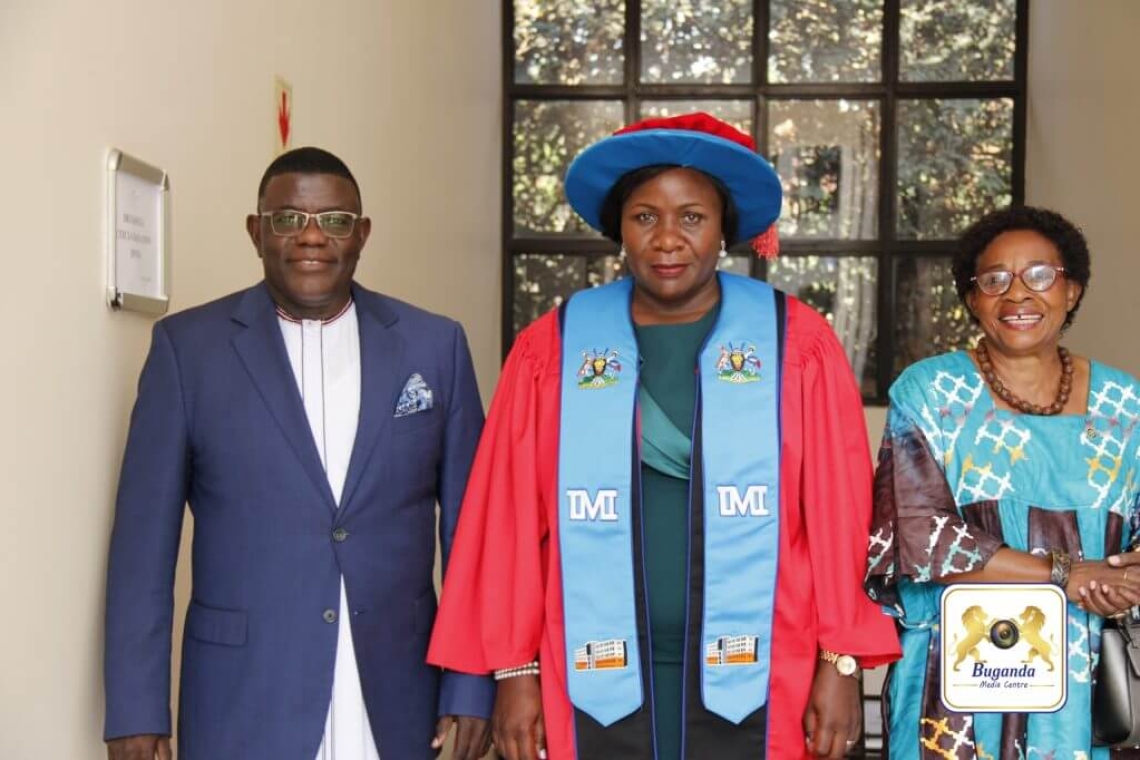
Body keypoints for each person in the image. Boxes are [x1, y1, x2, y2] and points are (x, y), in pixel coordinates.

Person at [427, 113, 900, 760]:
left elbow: (838, 514)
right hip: (585, 670)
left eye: (693, 217)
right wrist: (514, 671)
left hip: (768, 666)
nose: (668, 239)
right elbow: (509, 519)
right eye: (645, 216)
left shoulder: (796, 342)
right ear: (618, 228)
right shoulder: (555, 347)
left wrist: (840, 661)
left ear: (726, 229)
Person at [103, 147, 492, 760]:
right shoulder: (188, 351)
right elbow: (140, 550)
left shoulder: (434, 345)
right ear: (257, 231)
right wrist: (134, 709)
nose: (312, 236)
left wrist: (472, 687)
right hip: (244, 696)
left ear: (361, 234)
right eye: (288, 219)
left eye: (334, 220)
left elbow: (476, 534)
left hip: (397, 694)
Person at [865, 206, 1140, 757]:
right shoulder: (931, 392)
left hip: (1075, 680)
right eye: (994, 280)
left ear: (1073, 290)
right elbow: (919, 534)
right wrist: (1066, 573)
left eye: (1040, 276)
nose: (1018, 295)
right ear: (972, 299)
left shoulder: (1125, 403)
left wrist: (1125, 578)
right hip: (954, 685)